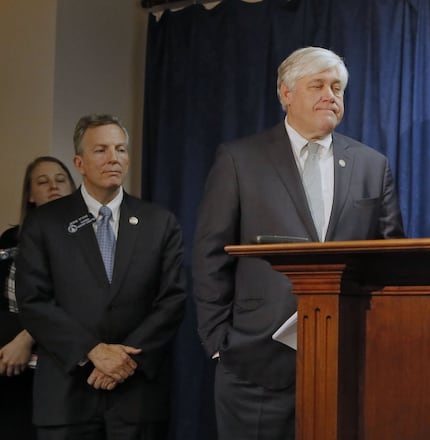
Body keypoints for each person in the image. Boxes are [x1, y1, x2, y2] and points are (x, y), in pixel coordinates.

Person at [192, 46, 405, 439]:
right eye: (318, 85)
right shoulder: (240, 159)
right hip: (255, 364)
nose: (331, 95)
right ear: (286, 93)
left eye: (337, 87)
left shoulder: (372, 165)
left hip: (348, 359)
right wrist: (221, 343)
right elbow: (210, 255)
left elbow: (390, 258)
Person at [15, 114, 186, 440]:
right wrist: (93, 351)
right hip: (66, 396)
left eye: (121, 149)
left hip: (136, 396)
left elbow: (172, 299)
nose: (114, 158)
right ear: (79, 162)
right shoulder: (46, 223)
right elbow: (34, 301)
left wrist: (123, 360)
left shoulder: (159, 222)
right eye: (101, 150)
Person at [1, 156, 77, 439]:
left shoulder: (90, 240)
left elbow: (77, 303)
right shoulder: (11, 239)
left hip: (59, 364)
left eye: (60, 180)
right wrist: (12, 344)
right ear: (30, 195)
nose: (53, 187)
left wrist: (26, 338)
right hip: (9, 364)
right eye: (42, 182)